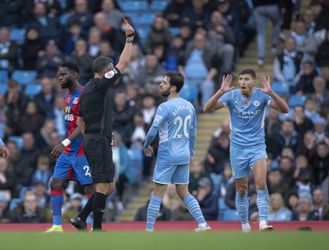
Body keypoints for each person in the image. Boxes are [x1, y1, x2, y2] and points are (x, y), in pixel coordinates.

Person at [69, 19, 135, 231]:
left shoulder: (89, 88)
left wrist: (96, 134)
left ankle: (81, 218)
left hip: (96, 139)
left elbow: (80, 119)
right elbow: (123, 64)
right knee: (104, 185)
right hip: (98, 140)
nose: (114, 74)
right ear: (105, 71)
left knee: (110, 185)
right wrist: (130, 38)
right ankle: (96, 228)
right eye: (111, 70)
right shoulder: (99, 85)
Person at [204, 69, 289, 232]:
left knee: (261, 182)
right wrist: (220, 91)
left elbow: (285, 110)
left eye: (246, 79)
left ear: (253, 82)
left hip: (257, 147)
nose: (242, 82)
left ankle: (263, 222)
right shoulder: (231, 95)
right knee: (242, 189)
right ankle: (244, 225)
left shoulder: (262, 96)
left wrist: (272, 92)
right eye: (241, 79)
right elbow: (207, 109)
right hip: (237, 149)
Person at [143, 71, 210, 232]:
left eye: (164, 83)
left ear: (173, 88)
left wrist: (146, 145)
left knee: (157, 191)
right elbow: (193, 132)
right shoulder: (189, 106)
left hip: (168, 152)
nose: (161, 84)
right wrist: (191, 151)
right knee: (183, 191)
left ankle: (149, 230)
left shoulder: (164, 106)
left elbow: (153, 130)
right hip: (184, 153)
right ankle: (202, 224)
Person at [45, 62, 94, 233]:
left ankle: (93, 226)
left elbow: (84, 125)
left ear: (75, 75)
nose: (59, 78)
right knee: (55, 183)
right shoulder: (67, 97)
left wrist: (64, 142)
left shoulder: (84, 94)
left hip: (82, 150)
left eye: (63, 75)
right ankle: (57, 226)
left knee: (89, 188)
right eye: (58, 75)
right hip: (68, 151)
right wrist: (65, 144)